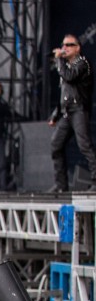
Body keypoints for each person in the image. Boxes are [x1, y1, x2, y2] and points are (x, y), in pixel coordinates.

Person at [49, 33, 96, 193]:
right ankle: (61, 185)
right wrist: (56, 114)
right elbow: (64, 94)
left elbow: (69, 78)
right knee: (56, 145)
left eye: (69, 45)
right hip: (67, 113)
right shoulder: (66, 67)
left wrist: (59, 60)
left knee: (85, 146)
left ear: (77, 48)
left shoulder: (83, 64)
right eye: (63, 45)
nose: (65, 48)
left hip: (79, 110)